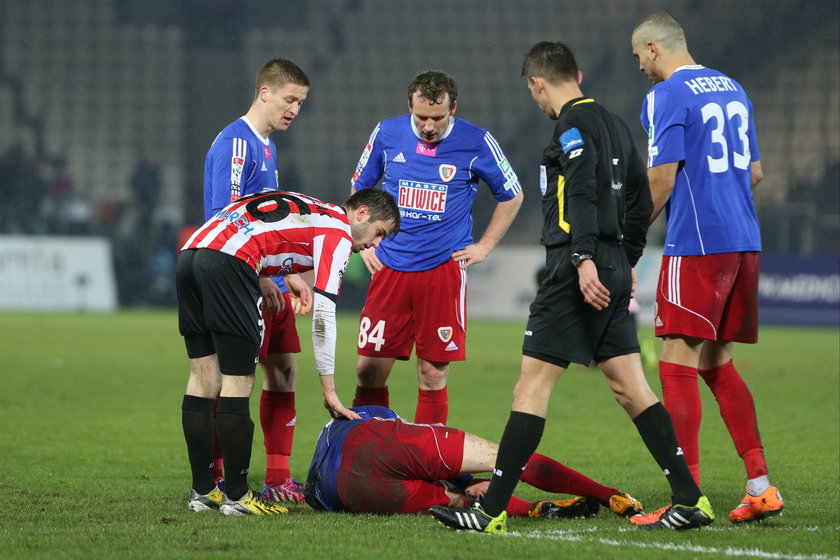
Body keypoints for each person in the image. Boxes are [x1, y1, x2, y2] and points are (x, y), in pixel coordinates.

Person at [430, 41, 712, 534]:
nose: (536, 100)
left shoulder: (570, 126)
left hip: (574, 268)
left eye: (533, 91)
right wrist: (624, 262)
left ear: (538, 83)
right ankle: (690, 499)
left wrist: (583, 260)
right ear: (577, 73)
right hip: (613, 262)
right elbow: (642, 199)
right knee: (630, 387)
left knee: (531, 386)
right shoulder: (619, 125)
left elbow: (580, 190)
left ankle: (490, 509)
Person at [630, 11, 783, 524]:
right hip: (744, 239)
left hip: (696, 244)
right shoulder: (733, 88)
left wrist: (628, 239)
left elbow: (662, 180)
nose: (640, 70)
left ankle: (686, 498)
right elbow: (755, 171)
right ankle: (760, 486)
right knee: (717, 362)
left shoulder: (666, 95)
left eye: (639, 59)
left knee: (675, 362)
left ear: (653, 48)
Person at [179, 189, 400, 516]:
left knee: (202, 378)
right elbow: (323, 317)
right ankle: (238, 497)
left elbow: (263, 220)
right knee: (238, 381)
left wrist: (281, 273)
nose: (376, 244)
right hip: (231, 261)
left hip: (192, 252)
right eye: (379, 232)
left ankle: (203, 492)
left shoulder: (313, 206)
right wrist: (330, 390)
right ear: (362, 213)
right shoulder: (337, 231)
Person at [350, 70, 524, 425]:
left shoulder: (477, 141)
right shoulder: (387, 133)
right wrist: (362, 240)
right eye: (422, 117)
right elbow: (359, 188)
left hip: (442, 271)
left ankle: (428, 463)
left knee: (432, 374)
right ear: (409, 107)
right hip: (390, 267)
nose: (429, 126)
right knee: (368, 369)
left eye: (438, 118)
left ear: (453, 109)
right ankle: (365, 452)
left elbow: (512, 194)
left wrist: (485, 246)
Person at [202, 58, 313, 503]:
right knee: (232, 379)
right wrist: (258, 278)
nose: (294, 110)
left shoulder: (267, 145)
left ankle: (278, 478)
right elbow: (222, 220)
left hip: (268, 279)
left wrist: (288, 274)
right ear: (264, 92)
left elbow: (268, 224)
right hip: (241, 280)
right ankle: (216, 477)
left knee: (284, 370)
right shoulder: (236, 144)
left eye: (300, 103)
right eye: (289, 100)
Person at [304, 406, 643, 519]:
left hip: (345, 491)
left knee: (460, 501)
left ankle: (536, 509)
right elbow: (398, 428)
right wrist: (464, 476)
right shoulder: (371, 417)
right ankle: (609, 494)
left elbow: (316, 498)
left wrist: (463, 484)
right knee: (508, 459)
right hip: (371, 445)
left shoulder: (313, 485)